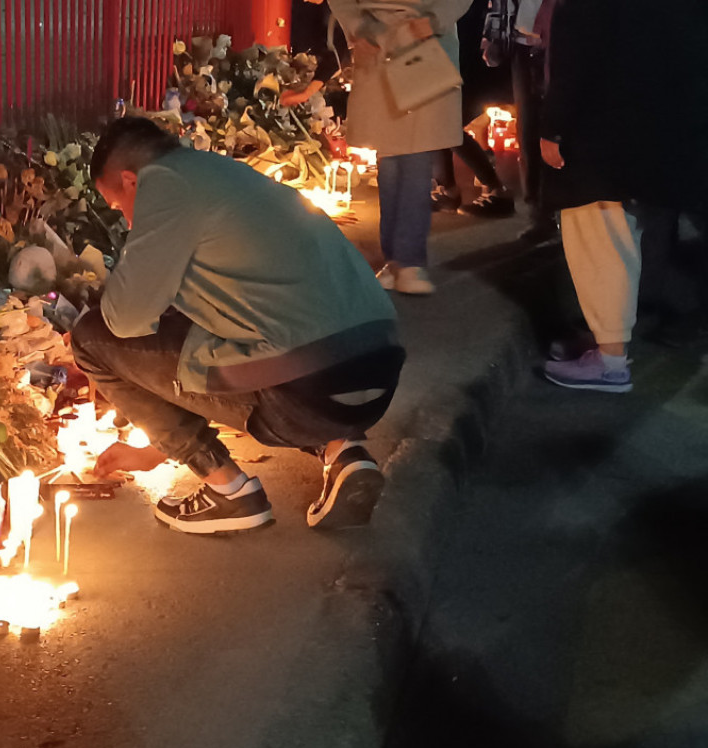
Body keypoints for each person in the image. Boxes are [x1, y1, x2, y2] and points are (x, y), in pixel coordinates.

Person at [72, 117, 405, 534]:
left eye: (118, 206)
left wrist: (164, 440)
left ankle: (228, 491)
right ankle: (344, 453)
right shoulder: (225, 174)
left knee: (91, 337)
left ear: (129, 180)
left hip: (309, 393)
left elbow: (125, 319)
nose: (126, 220)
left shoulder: (163, 185)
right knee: (274, 333)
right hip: (377, 378)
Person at [539, 0, 708, 391]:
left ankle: (610, 361)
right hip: (656, 134)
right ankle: (610, 344)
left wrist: (553, 129)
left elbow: (573, 65)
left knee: (601, 245)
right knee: (623, 240)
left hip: (599, 142)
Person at [328, 0, 473, 296]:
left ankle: (407, 259)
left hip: (422, 36)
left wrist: (437, 18)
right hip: (377, 38)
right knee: (390, 159)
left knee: (416, 154)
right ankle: (397, 260)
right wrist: (357, 28)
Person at [481, 0, 557, 242]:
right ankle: (539, 213)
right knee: (528, 132)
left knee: (558, 128)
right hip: (522, 44)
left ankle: (563, 210)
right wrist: (492, 33)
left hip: (561, 41)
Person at [431, 1, 514, 218]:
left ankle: (497, 190)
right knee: (440, 121)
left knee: (445, 124)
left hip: (474, 65)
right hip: (457, 60)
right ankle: (448, 189)